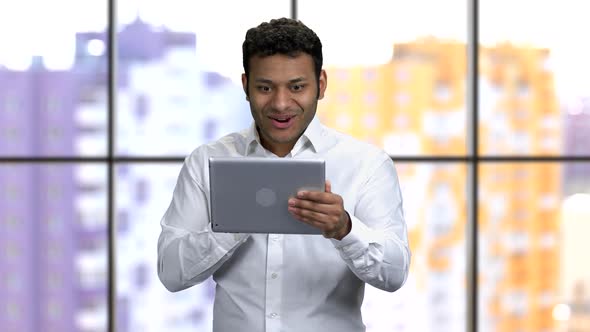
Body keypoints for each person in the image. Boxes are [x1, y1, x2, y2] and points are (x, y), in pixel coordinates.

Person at [157, 17, 410, 332]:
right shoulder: (206, 162)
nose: (280, 104)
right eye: (265, 88)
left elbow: (394, 274)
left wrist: (344, 228)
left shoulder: (367, 164)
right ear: (246, 85)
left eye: (297, 87)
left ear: (321, 84)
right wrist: (232, 225)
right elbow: (171, 273)